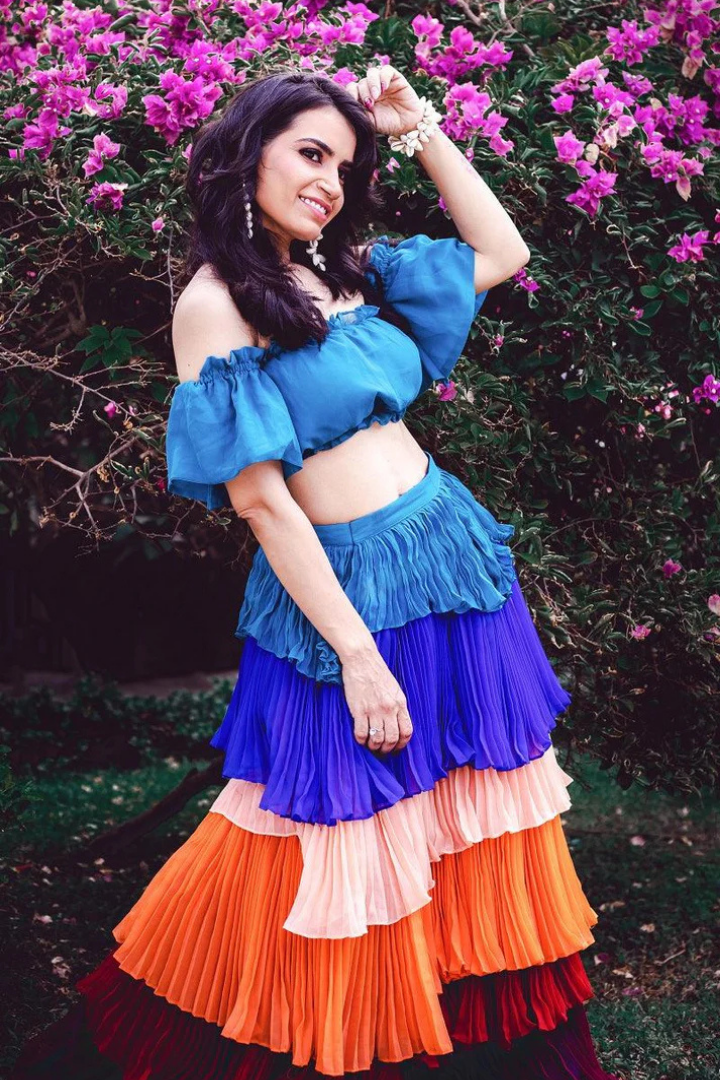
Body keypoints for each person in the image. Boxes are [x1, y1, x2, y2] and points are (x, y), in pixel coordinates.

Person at [12, 66, 620, 1080]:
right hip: (345, 603)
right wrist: (357, 655)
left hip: (454, 565)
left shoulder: (353, 270)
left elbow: (501, 252)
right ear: (246, 151)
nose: (331, 179)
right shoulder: (216, 305)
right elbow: (261, 501)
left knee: (467, 822)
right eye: (309, 152)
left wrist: (417, 126)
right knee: (323, 835)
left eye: (344, 163)